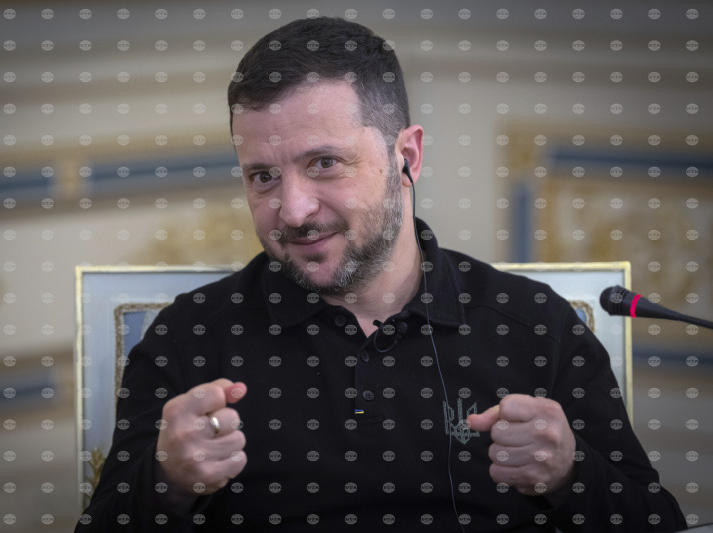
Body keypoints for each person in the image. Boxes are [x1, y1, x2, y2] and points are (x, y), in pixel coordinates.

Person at [77, 17, 684, 532]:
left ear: (406, 157)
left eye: (324, 163)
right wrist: (166, 484)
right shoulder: (188, 338)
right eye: (263, 176)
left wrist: (572, 477)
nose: (293, 211)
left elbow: (657, 522)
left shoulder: (535, 325)